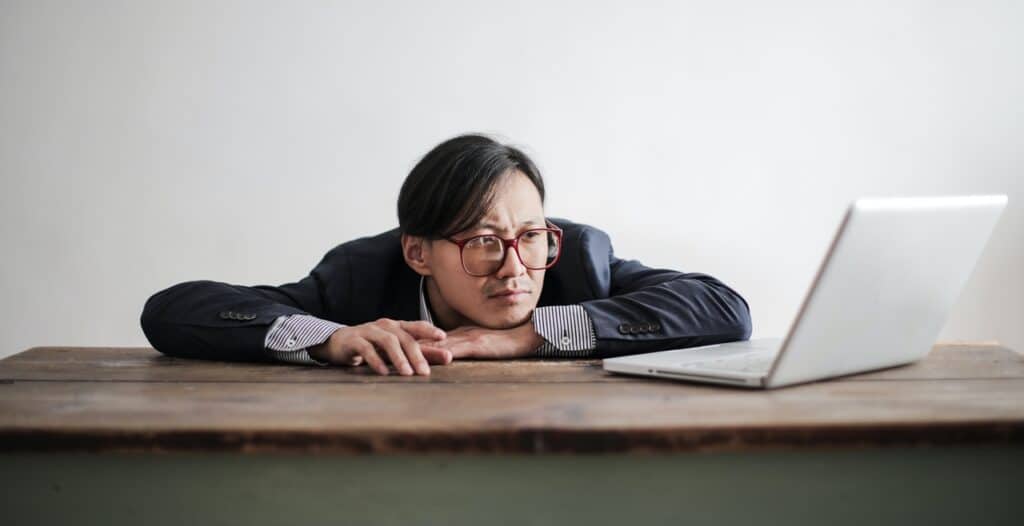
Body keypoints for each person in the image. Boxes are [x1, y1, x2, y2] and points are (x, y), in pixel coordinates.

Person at [140, 133, 752, 376]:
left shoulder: (578, 259)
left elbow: (725, 308)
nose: (516, 267)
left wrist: (530, 336)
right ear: (418, 252)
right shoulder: (360, 276)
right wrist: (331, 338)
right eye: (483, 241)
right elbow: (170, 311)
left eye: (531, 235)